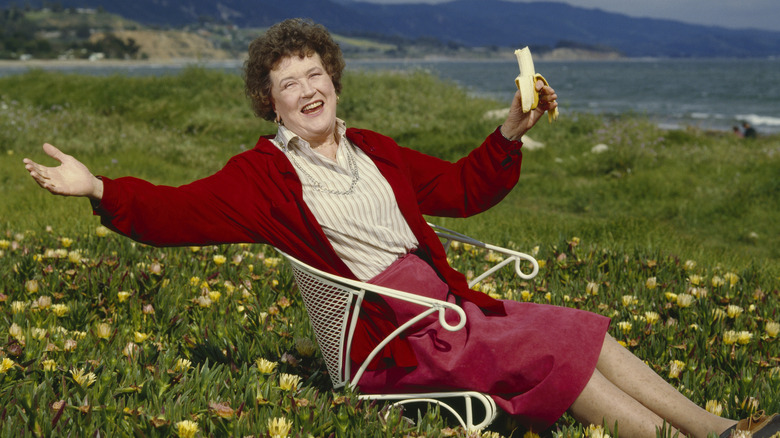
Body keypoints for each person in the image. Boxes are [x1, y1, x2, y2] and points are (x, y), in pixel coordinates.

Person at [23, 18, 778, 438]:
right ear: (270, 103)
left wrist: (508, 133)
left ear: (334, 78)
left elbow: (457, 189)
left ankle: (719, 431)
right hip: (392, 331)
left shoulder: (373, 148)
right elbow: (172, 213)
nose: (307, 89)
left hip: (446, 306)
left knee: (587, 327)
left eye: (315, 74)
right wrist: (99, 187)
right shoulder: (261, 177)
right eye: (289, 84)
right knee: (560, 349)